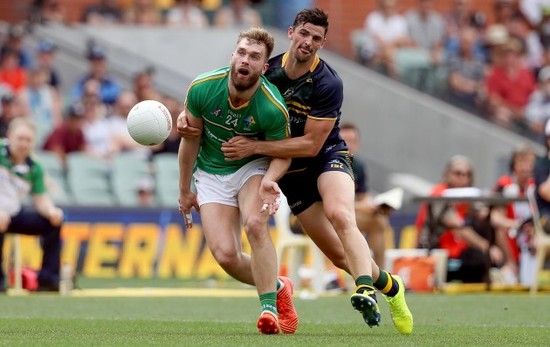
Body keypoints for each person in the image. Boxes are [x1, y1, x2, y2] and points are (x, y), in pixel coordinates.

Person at [178, 8, 413, 335]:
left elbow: (310, 146)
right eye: (304, 34)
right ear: (291, 33)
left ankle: (364, 291)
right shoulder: (264, 70)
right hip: (290, 172)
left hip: (324, 155)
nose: (308, 42)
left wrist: (254, 148)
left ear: (322, 43)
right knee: (338, 254)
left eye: (316, 38)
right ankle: (391, 287)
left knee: (341, 214)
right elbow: (217, 99)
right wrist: (186, 121)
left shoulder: (328, 82)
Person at [177, 27, 297, 335]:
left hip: (250, 167)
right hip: (210, 171)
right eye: (242, 52)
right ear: (233, 56)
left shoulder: (272, 106)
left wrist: (271, 179)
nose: (246, 60)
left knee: (255, 224)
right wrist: (184, 190)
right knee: (226, 256)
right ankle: (279, 285)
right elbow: (189, 140)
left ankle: (268, 307)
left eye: (255, 56)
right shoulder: (203, 88)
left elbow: (283, 152)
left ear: (264, 67)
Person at [0, 117, 63, 292]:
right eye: (20, 138)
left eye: (28, 140)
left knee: (52, 223)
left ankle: (48, 279)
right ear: (9, 136)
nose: (23, 144)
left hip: (12, 214)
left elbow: (40, 198)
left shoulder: (35, 168)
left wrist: (51, 211)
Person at [340, 122, 391, 268]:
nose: (349, 145)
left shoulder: (357, 165)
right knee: (376, 221)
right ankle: (378, 276)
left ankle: (380, 273)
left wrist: (375, 205)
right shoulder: (327, 162)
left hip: (345, 213)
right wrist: (362, 206)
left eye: (353, 141)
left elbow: (363, 196)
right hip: (323, 215)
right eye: (345, 141)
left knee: (380, 220)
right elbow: (326, 203)